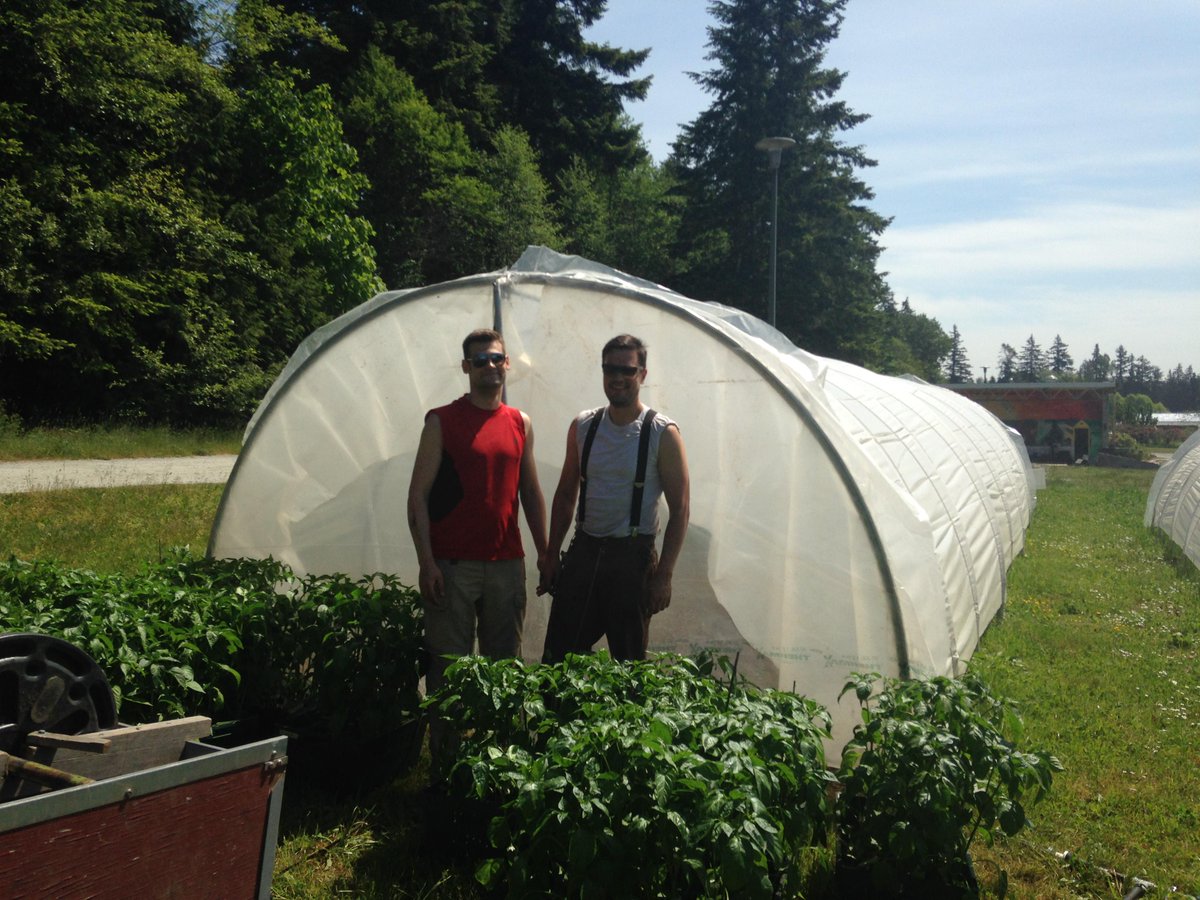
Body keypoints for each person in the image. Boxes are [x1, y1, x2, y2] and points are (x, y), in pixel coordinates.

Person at [407, 329, 548, 761]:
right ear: (466, 368)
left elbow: (531, 492)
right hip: (452, 566)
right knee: (448, 669)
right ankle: (446, 767)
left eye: (496, 359)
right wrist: (426, 562)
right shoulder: (442, 421)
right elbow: (418, 496)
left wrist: (546, 554)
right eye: (480, 360)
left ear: (507, 364)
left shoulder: (520, 423)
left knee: (504, 669)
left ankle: (500, 763)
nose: (490, 366)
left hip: (506, 564)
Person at [540, 334, 690, 663]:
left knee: (628, 665)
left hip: (632, 560)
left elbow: (680, 510)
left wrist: (664, 574)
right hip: (584, 551)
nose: (617, 378)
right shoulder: (583, 426)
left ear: (643, 375)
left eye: (627, 370)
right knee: (558, 661)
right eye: (610, 369)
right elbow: (566, 494)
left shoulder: (661, 433)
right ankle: (556, 715)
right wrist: (551, 555)